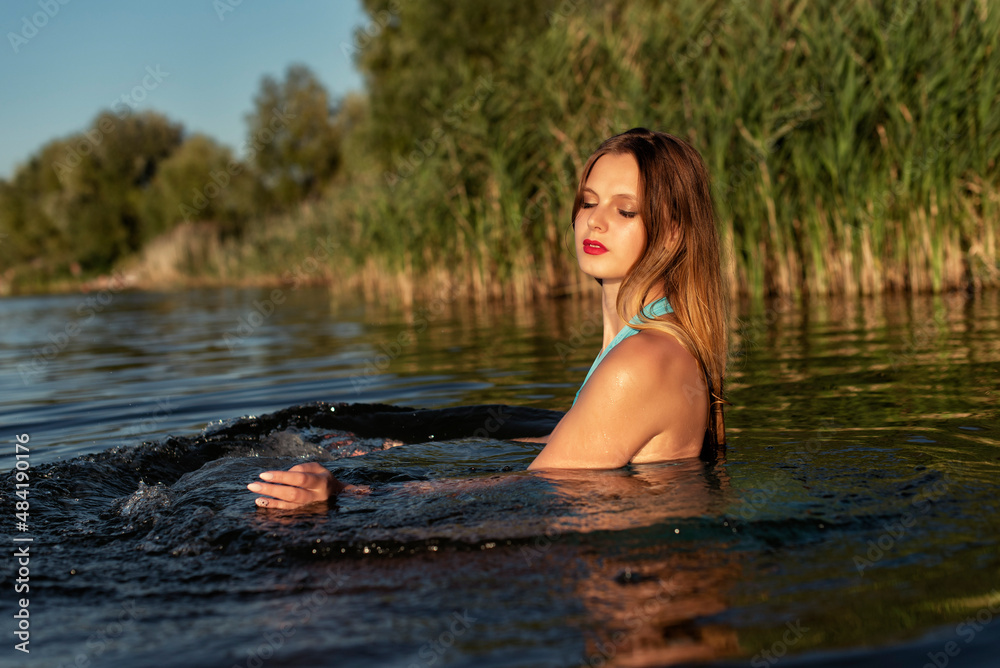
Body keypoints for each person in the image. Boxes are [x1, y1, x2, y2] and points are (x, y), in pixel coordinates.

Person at [247, 128, 729, 509]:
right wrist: (396, 451)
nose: (594, 220)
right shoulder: (650, 345)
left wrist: (349, 495)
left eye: (625, 211)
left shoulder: (641, 362)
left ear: (671, 236)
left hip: (634, 591)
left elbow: (533, 493)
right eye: (587, 202)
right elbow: (583, 445)